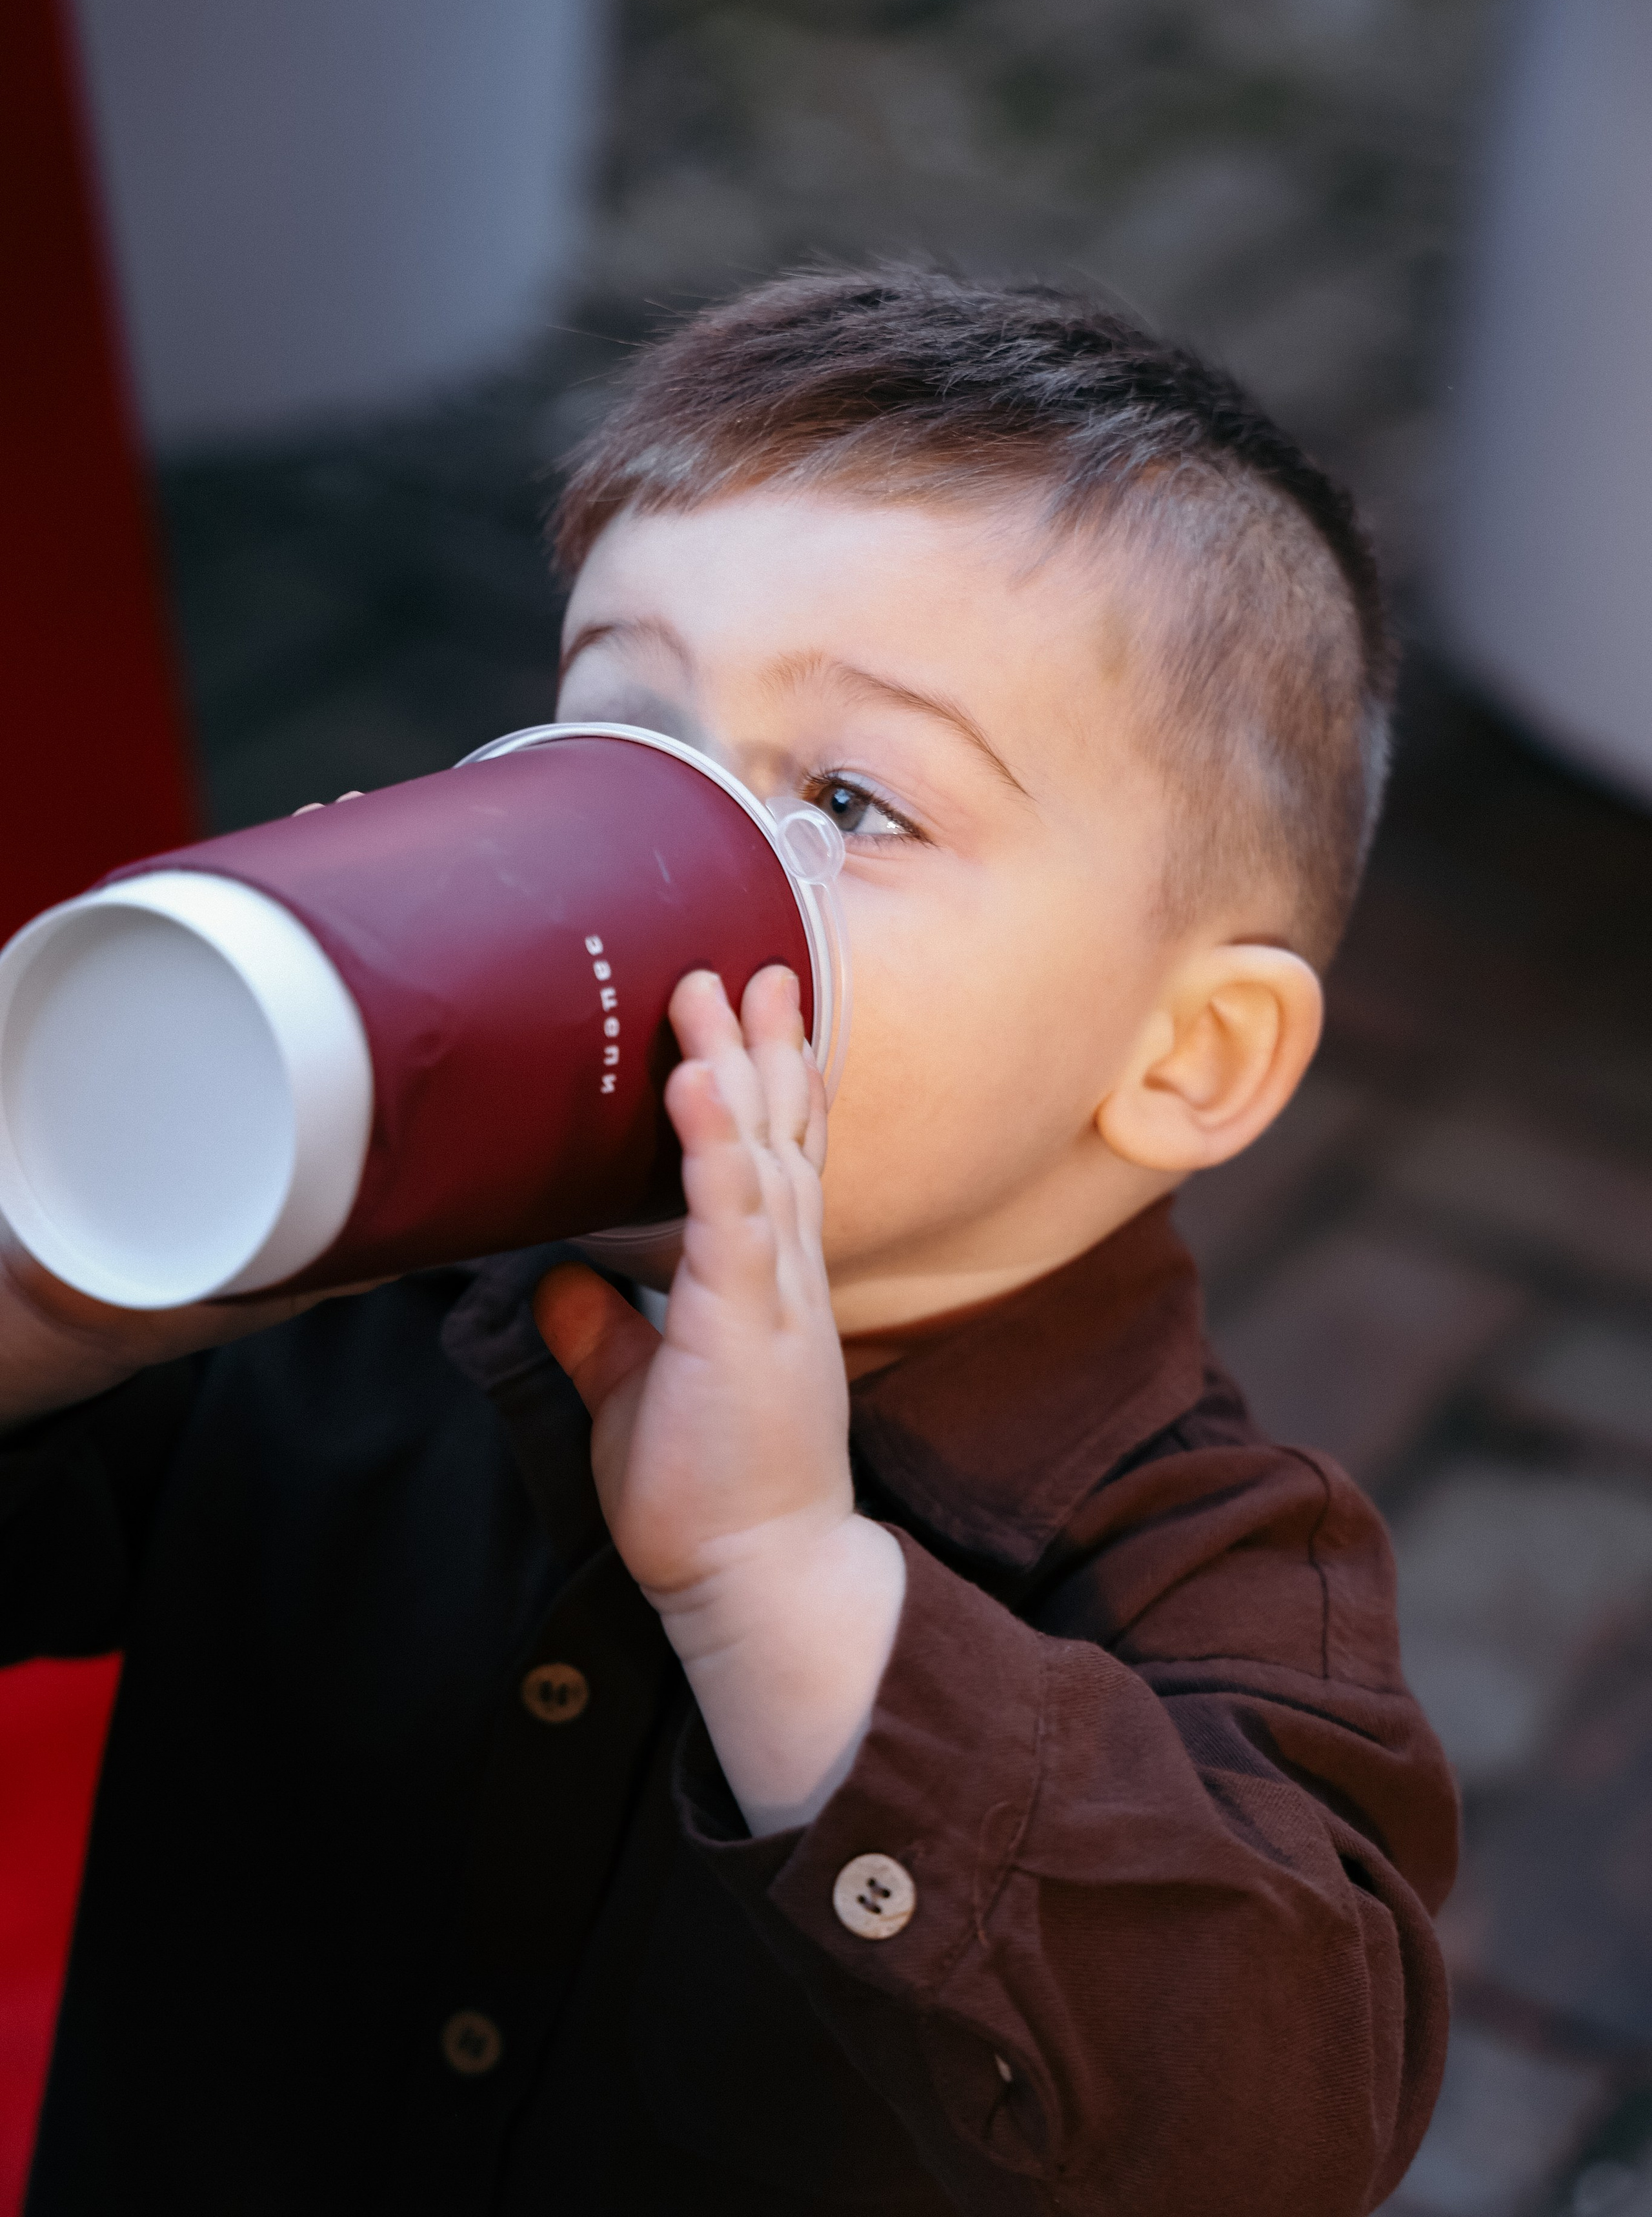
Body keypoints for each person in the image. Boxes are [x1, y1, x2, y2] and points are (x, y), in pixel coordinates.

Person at [0, 269, 1456, 2216]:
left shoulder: (1209, 1572)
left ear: (1187, 1058)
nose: (671, 841)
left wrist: (788, 1589)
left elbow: (1275, 2133)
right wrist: (67, 1288)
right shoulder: (361, 1310)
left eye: (850, 800)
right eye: (626, 737)